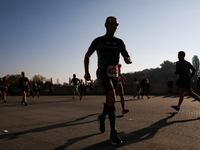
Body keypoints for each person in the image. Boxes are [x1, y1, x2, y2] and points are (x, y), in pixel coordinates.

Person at [84, 16, 132, 145]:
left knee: (111, 100)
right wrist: (87, 72)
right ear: (105, 25)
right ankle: (113, 133)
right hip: (102, 73)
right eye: (111, 24)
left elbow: (127, 55)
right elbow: (87, 55)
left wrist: (128, 59)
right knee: (111, 97)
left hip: (114, 74)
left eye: (116, 25)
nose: (114, 27)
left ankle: (102, 117)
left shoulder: (119, 42)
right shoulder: (98, 40)